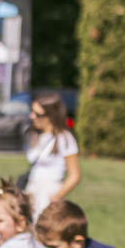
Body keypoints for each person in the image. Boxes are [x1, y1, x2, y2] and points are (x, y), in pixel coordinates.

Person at [22, 91, 80, 221]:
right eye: (32, 111)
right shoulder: (36, 135)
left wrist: (55, 198)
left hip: (49, 193)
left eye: (38, 114)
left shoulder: (64, 138)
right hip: (31, 190)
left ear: (51, 115)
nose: (32, 116)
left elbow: (74, 176)